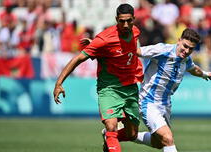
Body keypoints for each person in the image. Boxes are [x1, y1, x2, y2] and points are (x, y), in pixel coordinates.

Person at [53, 3, 143, 152]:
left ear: (134, 19)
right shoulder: (105, 39)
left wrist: (99, 49)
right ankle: (111, 135)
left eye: (129, 20)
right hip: (109, 88)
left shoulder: (136, 31)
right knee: (111, 125)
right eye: (122, 21)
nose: (126, 25)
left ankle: (109, 138)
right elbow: (77, 59)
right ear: (116, 19)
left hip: (130, 87)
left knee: (132, 134)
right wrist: (59, 83)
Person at [134, 28, 211, 152]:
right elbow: (138, 52)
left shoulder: (186, 59)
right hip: (148, 101)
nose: (187, 51)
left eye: (191, 49)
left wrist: (204, 74)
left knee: (159, 143)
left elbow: (194, 69)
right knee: (167, 138)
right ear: (179, 41)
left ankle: (117, 134)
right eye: (185, 46)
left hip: (165, 104)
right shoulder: (163, 50)